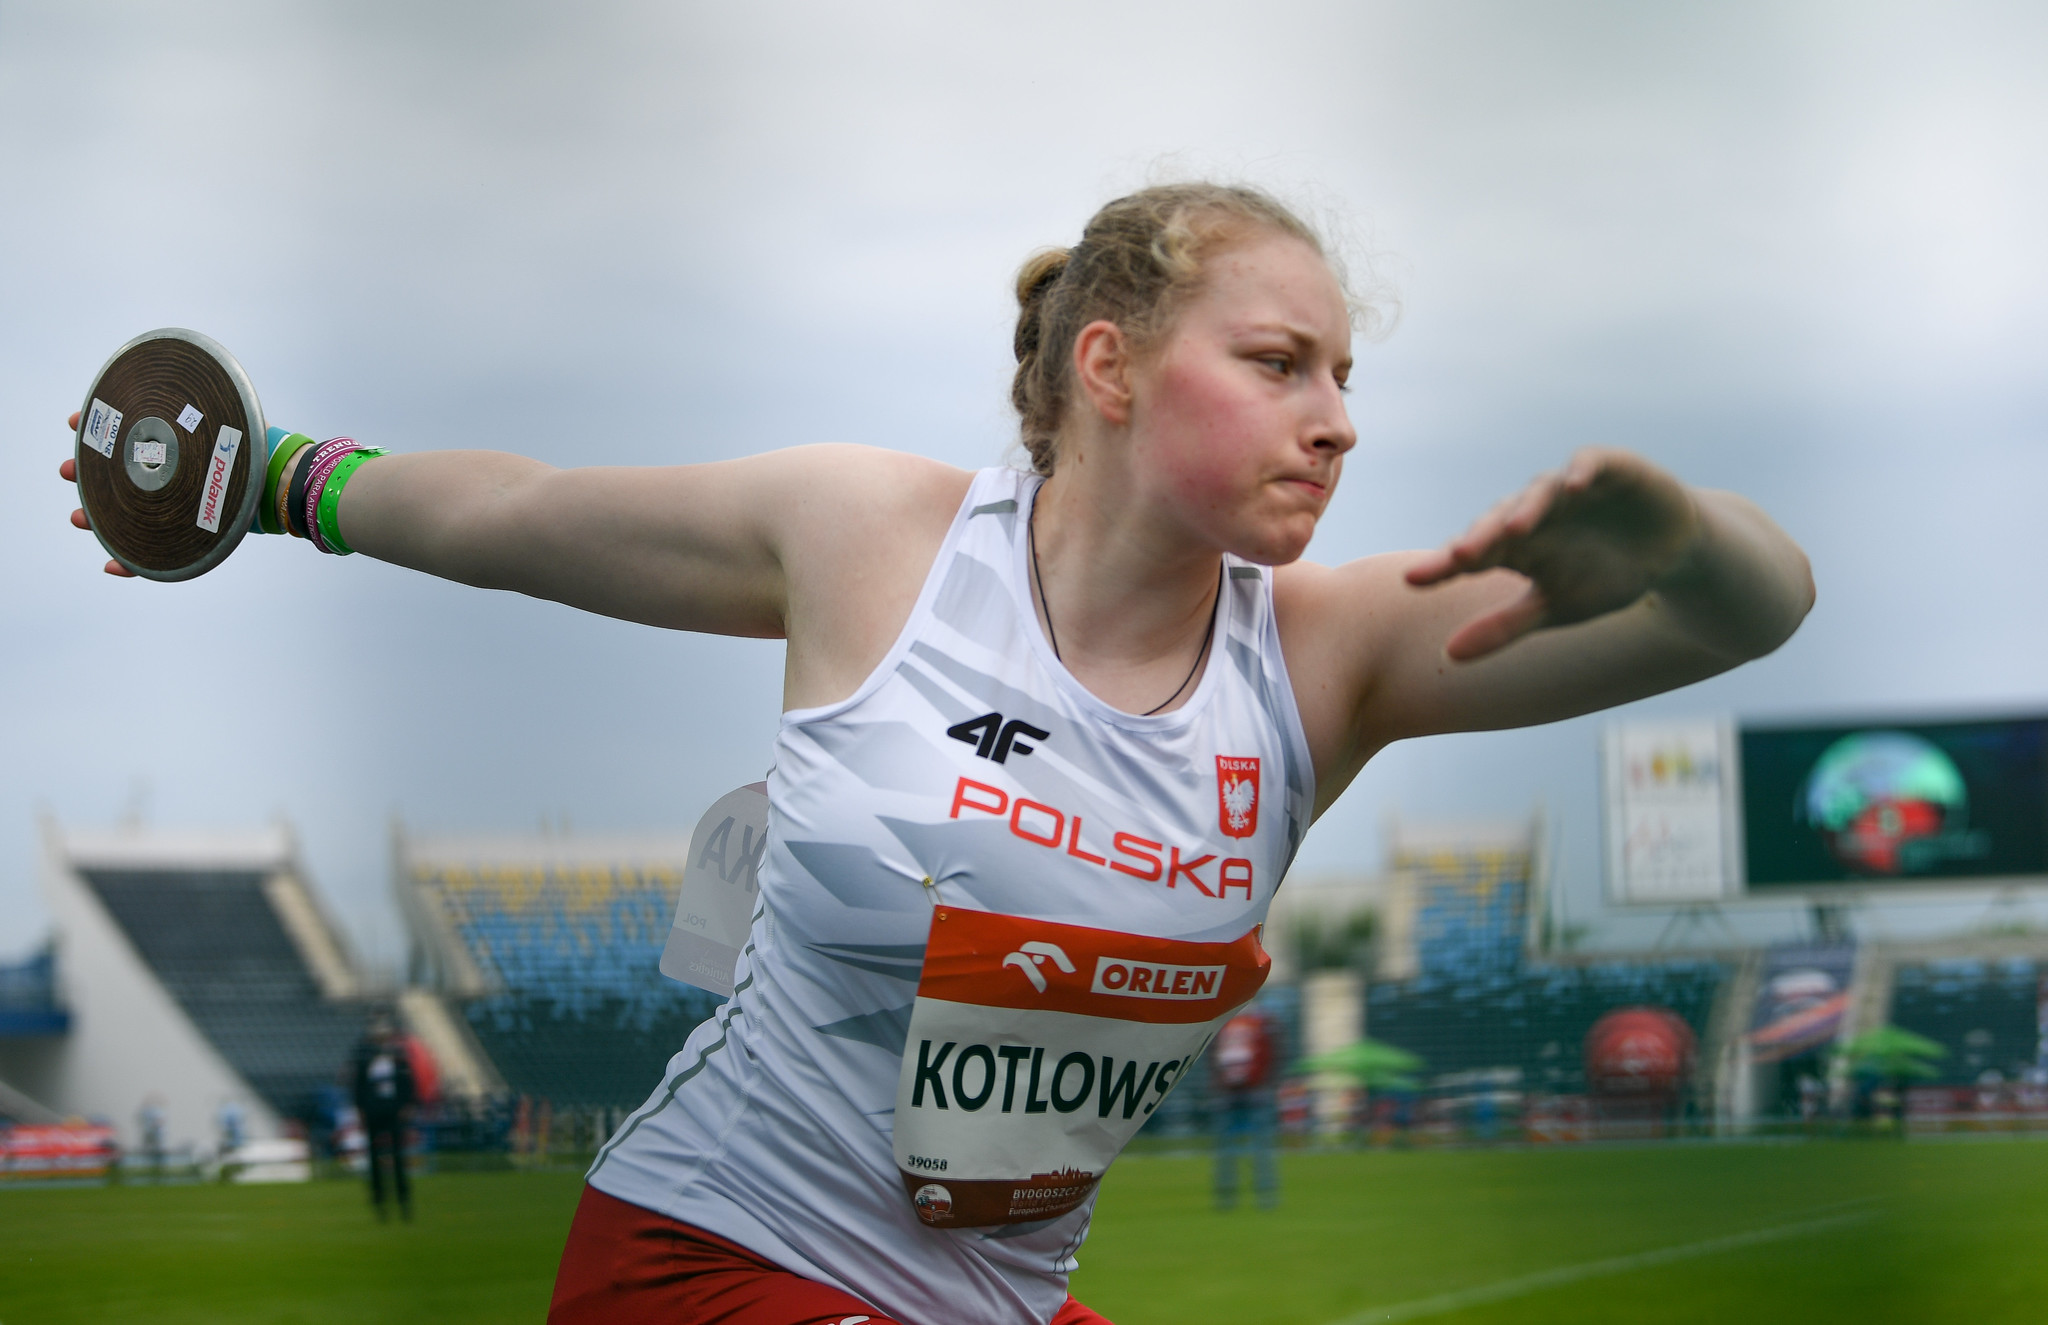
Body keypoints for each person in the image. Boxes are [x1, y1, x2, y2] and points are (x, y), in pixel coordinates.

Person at [63, 182, 1812, 1324]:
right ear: (1110, 368)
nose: (1336, 416)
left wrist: (1675, 530)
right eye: (1279, 363)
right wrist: (275, 479)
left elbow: (1752, 609)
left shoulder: (1323, 657)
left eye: (1345, 374)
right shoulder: (869, 541)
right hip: (710, 1262)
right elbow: (520, 515)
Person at [1207, 1007, 1280, 1210]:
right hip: (1255, 1090)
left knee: (1226, 1149)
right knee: (1261, 1148)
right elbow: (1271, 1054)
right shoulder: (1261, 1022)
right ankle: (1266, 1196)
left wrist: (1217, 1083)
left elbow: (1211, 1055)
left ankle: (1226, 1198)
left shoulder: (1222, 1022)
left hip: (1229, 1092)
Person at [350, 1014, 418, 1221]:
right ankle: (380, 1201)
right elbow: (358, 1085)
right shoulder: (364, 1056)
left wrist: (406, 1104)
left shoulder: (398, 1056)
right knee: (374, 1158)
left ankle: (403, 1199)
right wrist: (361, 1108)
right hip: (373, 1111)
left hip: (393, 1110)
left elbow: (407, 1082)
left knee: (397, 1157)